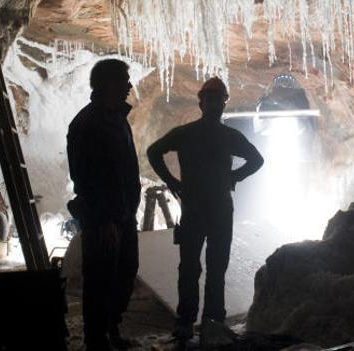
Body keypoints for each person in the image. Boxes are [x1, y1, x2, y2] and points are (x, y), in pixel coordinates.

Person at [147, 77, 264, 341]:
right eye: (210, 99)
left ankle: (193, 322)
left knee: (201, 267)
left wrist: (173, 182)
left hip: (201, 208)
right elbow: (256, 160)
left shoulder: (188, 134)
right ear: (203, 102)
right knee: (203, 267)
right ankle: (207, 321)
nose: (213, 104)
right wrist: (234, 177)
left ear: (220, 103)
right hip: (214, 208)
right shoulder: (226, 136)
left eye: (217, 99)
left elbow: (154, 152)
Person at [66, 59, 140, 351]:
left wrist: (126, 212)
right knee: (99, 280)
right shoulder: (87, 123)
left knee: (124, 273)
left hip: (123, 214)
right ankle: (97, 340)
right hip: (102, 218)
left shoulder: (117, 119)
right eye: (124, 79)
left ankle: (111, 329)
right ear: (107, 83)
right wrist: (101, 218)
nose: (129, 86)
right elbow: (84, 177)